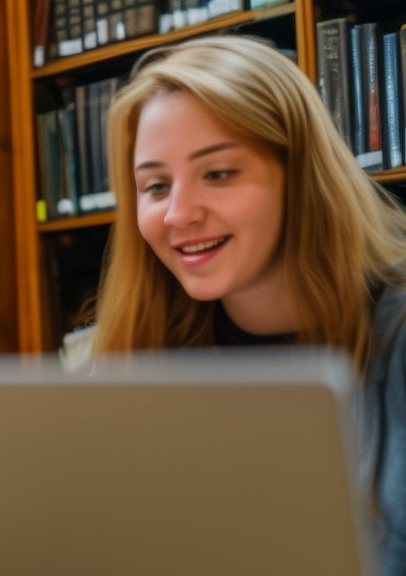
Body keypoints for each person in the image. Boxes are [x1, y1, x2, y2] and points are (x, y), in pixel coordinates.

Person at [92, 35, 406, 573]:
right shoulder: (137, 353)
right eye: (156, 186)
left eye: (218, 174)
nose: (178, 214)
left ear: (301, 177)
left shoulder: (396, 335)